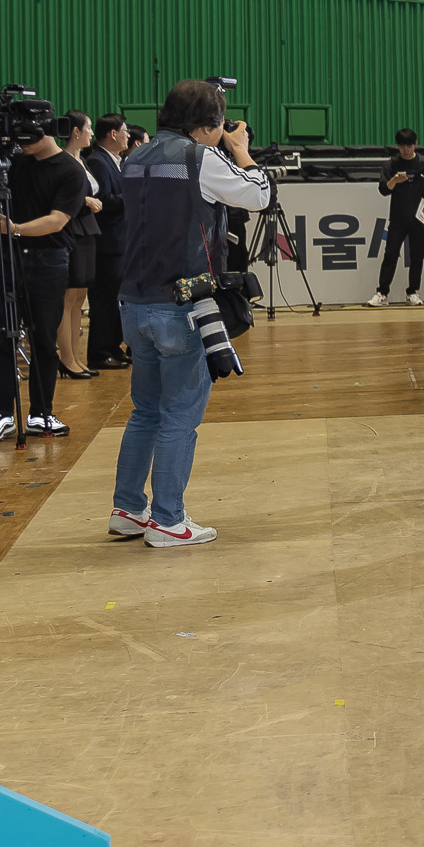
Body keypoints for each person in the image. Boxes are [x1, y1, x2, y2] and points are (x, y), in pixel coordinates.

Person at [108, 80, 276, 548]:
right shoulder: (198, 158)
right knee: (181, 415)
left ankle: (128, 509)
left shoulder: (134, 156)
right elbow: (259, 195)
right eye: (219, 126)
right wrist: (241, 151)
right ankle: (167, 519)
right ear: (207, 126)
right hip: (181, 305)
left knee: (145, 411)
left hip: (134, 302)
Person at [0, 110, 91, 444]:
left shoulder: (70, 170)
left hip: (48, 259)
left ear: (49, 133)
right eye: (20, 140)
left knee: (43, 339)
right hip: (6, 259)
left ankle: (41, 412)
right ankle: (0, 414)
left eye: (30, 140)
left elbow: (57, 220)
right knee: (1, 337)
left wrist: (14, 230)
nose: (24, 146)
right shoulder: (13, 165)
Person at [54, 112, 105, 380]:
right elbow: (59, 196)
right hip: (71, 226)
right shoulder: (61, 161)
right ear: (75, 131)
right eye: (87, 128)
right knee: (67, 296)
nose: (91, 133)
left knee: (79, 296)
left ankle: (76, 356)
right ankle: (67, 358)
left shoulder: (83, 161)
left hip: (88, 228)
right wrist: (84, 200)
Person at [81, 115, 130, 371]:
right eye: (124, 131)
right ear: (112, 134)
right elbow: (102, 199)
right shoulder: (98, 161)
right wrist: (131, 196)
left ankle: (113, 346)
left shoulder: (115, 160)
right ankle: (99, 351)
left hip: (120, 240)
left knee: (116, 299)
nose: (128, 136)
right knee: (104, 300)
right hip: (107, 242)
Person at [367, 127, 424, 306]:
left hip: (420, 219)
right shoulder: (391, 164)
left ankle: (412, 292)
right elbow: (383, 189)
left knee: (417, 255)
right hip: (398, 218)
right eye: (403, 146)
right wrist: (395, 179)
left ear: (415, 144)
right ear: (398, 146)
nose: (406, 149)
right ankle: (382, 293)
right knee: (390, 254)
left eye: (410, 145)